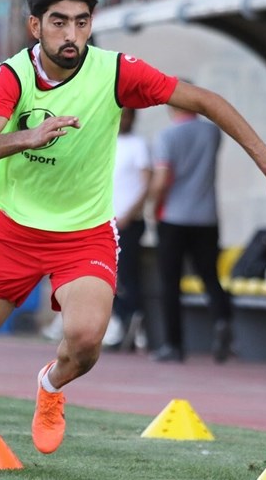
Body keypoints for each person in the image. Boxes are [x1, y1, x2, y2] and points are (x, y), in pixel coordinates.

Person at [0, 0, 266, 477]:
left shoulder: (115, 72)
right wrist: (28, 136)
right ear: (35, 26)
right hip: (13, 232)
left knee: (87, 341)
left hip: (84, 233)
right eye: (59, 23)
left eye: (81, 22)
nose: (71, 34)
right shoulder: (14, 76)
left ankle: (50, 385)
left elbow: (205, 101)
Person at [149, 103, 231, 364]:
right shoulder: (212, 133)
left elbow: (162, 179)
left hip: (173, 216)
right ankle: (222, 319)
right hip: (207, 217)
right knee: (209, 275)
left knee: (170, 282)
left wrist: (153, 205)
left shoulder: (167, 136)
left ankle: (174, 345)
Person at [103, 108, 151, 350]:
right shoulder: (105, 143)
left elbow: (146, 184)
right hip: (105, 222)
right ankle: (116, 326)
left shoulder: (138, 145)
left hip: (127, 223)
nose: (123, 121)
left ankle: (133, 327)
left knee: (127, 276)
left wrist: (129, 214)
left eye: (127, 116)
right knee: (109, 277)